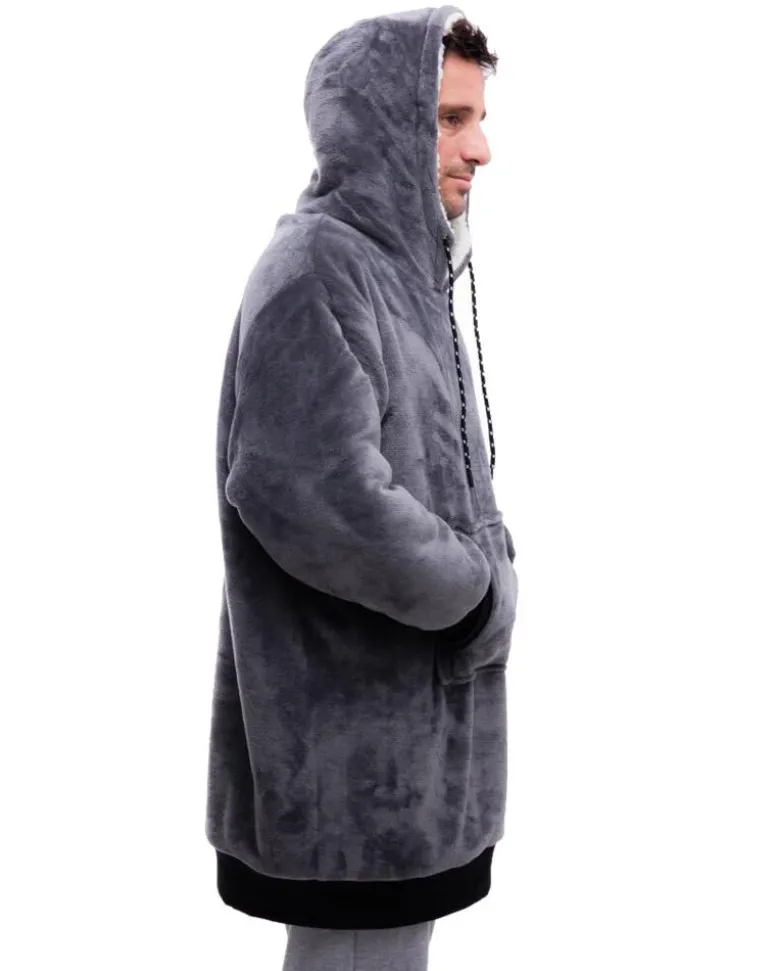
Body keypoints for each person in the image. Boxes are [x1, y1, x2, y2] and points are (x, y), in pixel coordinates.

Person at [203, 6, 519, 970]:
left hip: (403, 755)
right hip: (344, 763)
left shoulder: (404, 275)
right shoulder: (319, 268)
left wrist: (489, 559)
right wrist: (473, 594)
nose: (481, 149)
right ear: (378, 123)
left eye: (478, 118)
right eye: (450, 120)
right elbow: (309, 491)